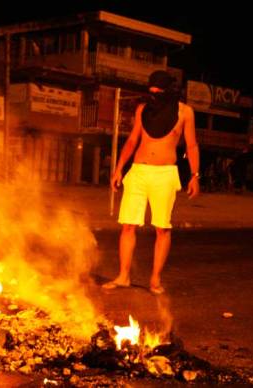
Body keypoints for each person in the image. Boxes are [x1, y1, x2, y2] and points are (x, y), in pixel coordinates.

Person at [103, 70, 200, 295]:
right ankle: (123, 276)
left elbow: (191, 145)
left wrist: (195, 175)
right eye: (151, 92)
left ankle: (155, 279)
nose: (154, 96)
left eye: (159, 92)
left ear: (169, 90)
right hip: (138, 171)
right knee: (128, 225)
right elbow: (133, 139)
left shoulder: (185, 112)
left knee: (162, 228)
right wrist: (119, 169)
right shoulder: (143, 110)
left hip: (165, 174)